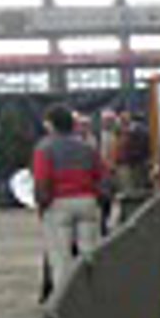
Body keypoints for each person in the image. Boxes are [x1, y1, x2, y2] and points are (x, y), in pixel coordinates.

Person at [33, 104, 106, 292]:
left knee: (61, 257)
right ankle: (94, 292)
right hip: (87, 200)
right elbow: (101, 176)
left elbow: (42, 180)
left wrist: (42, 206)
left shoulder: (44, 148)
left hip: (59, 203)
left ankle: (65, 298)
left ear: (51, 125)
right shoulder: (88, 148)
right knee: (89, 252)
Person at [112, 114, 156, 225]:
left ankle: (134, 219)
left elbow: (139, 150)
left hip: (133, 167)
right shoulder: (124, 132)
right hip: (129, 166)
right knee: (131, 194)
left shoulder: (135, 133)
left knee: (133, 194)